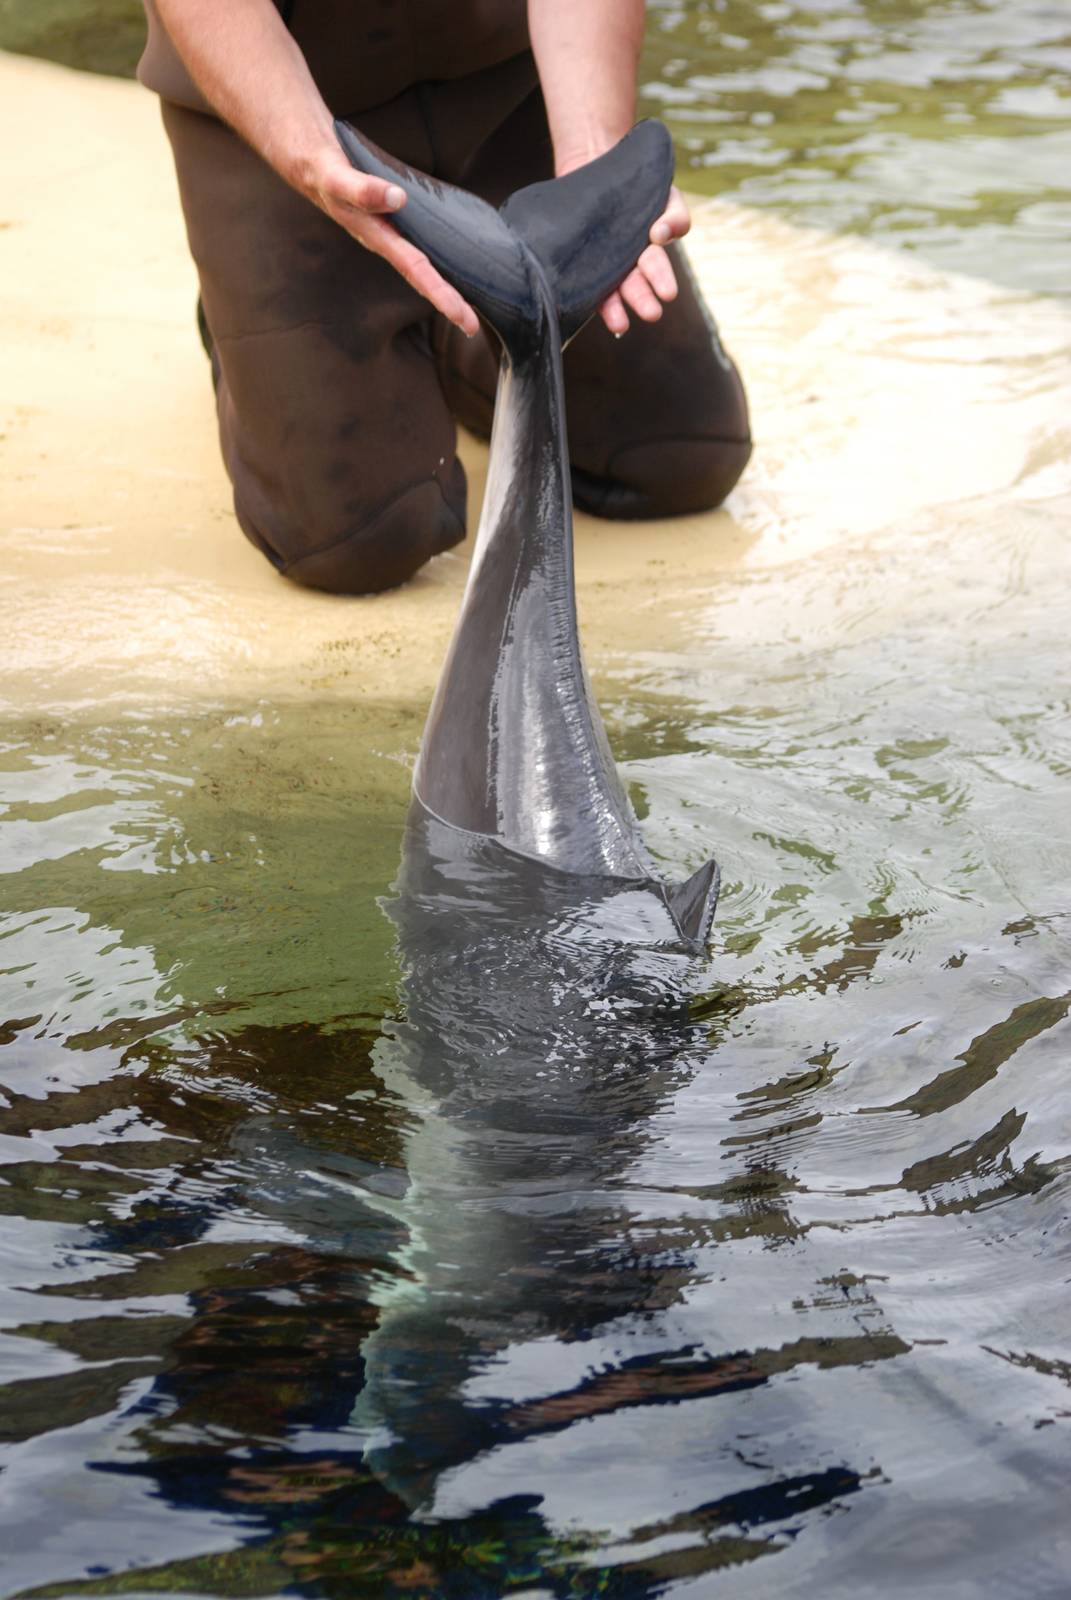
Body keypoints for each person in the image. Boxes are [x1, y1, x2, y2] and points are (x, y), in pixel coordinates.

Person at [140, 0, 752, 594]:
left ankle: (456, 325)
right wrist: (310, 158)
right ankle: (239, 329)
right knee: (361, 535)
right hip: (286, 114)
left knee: (678, 450)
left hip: (510, 77)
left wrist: (592, 157)